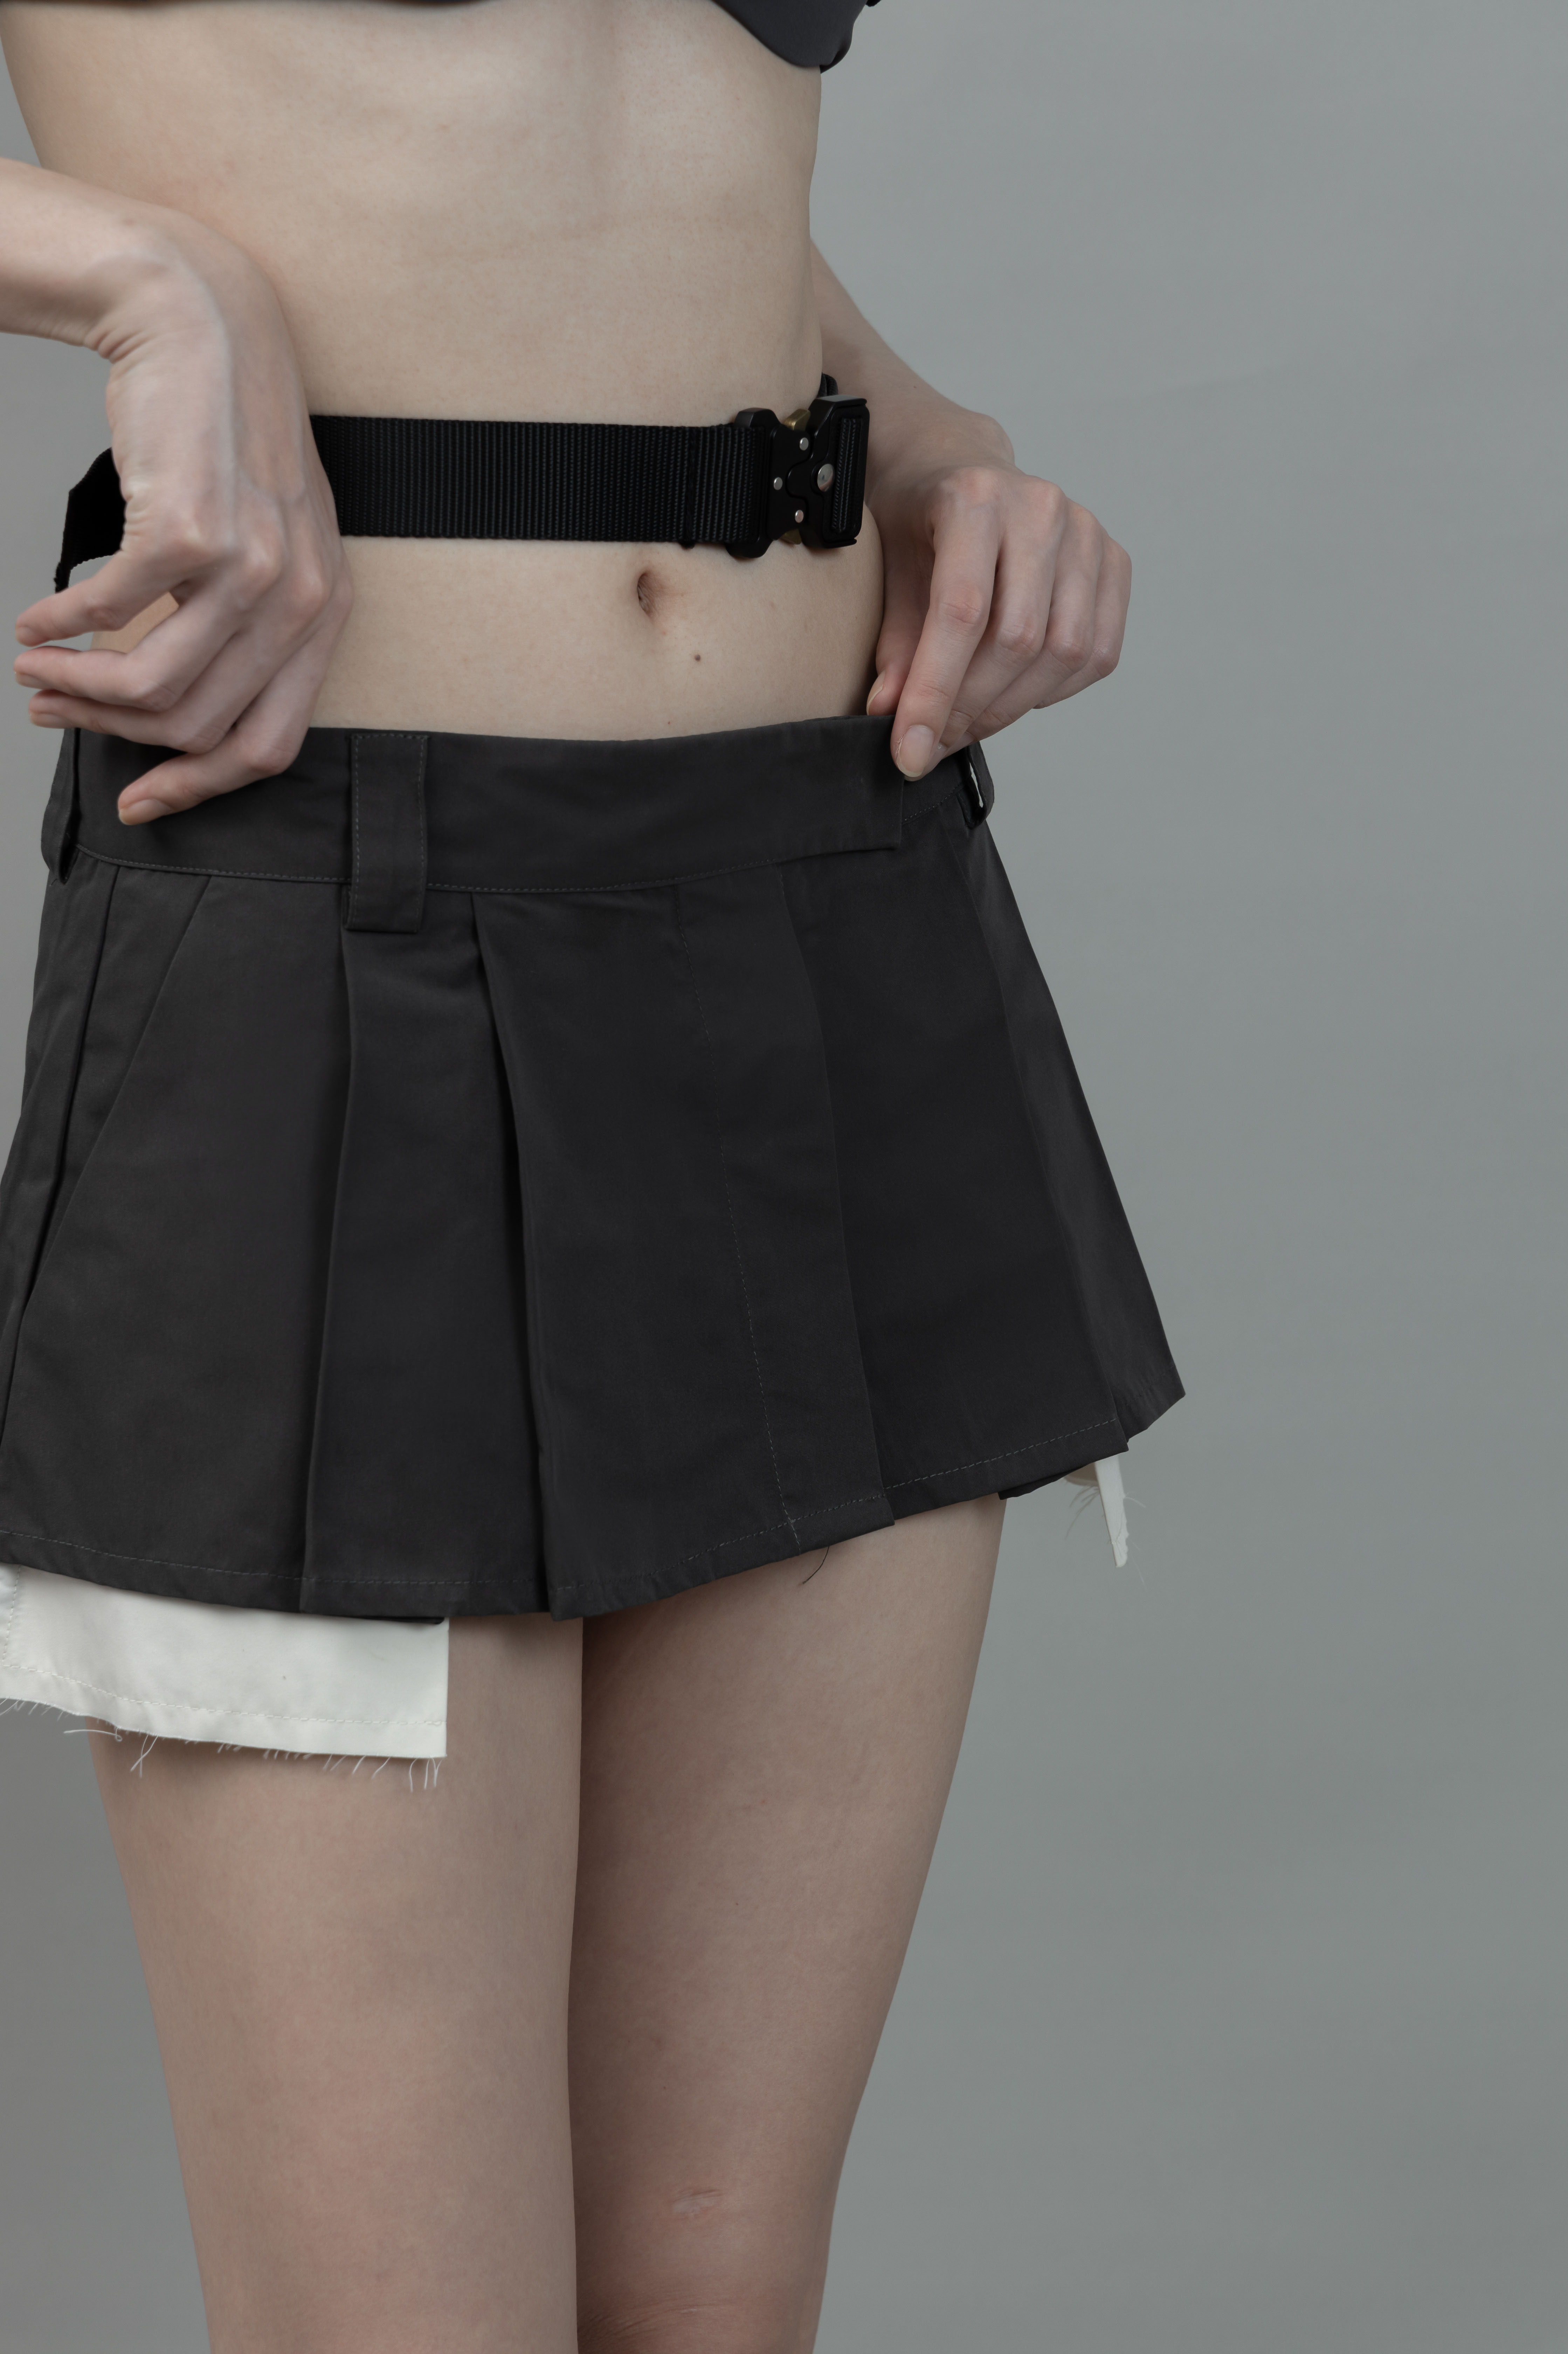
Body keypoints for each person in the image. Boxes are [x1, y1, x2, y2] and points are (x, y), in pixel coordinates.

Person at [0, 2, 1180, 2345]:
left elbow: (599, 140)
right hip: (335, 939)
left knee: (712, 2302)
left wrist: (933, 443)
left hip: (835, 893)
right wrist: (146, 275)